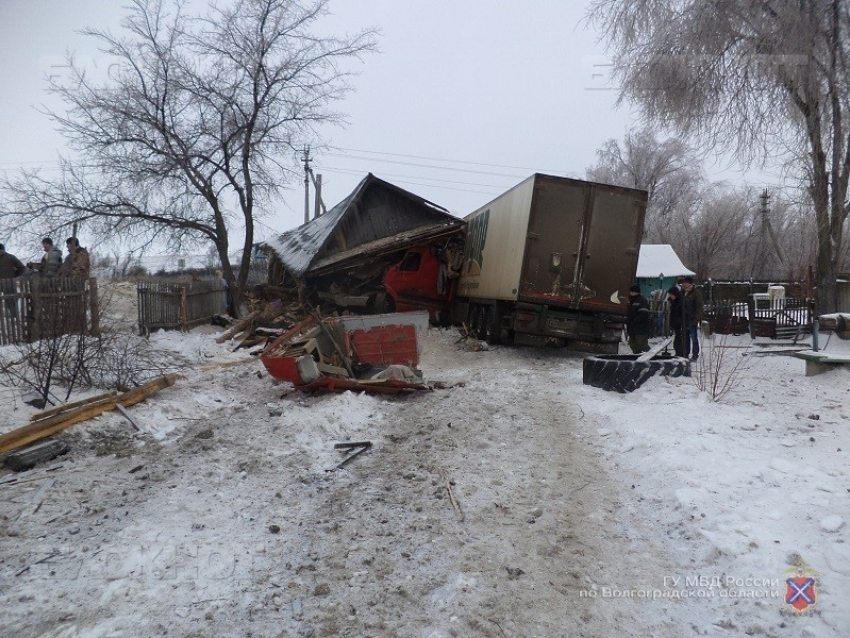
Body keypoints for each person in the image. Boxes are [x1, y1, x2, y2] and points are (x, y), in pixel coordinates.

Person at [682, 276, 704, 360]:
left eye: (686, 282)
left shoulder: (695, 293)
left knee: (693, 337)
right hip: (684, 319)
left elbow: (699, 307)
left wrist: (696, 319)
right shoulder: (683, 292)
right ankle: (685, 353)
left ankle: (695, 354)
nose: (684, 284)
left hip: (692, 319)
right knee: (685, 337)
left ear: (690, 284)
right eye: (684, 282)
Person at [625, 284, 651, 354]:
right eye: (631, 292)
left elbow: (644, 314)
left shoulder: (642, 301)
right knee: (633, 344)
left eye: (634, 292)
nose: (632, 293)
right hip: (632, 327)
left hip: (641, 327)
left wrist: (634, 321)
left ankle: (651, 356)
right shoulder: (630, 301)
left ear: (638, 292)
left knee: (642, 344)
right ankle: (637, 356)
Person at [667, 278, 686, 357]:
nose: (670, 296)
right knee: (677, 340)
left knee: (679, 340)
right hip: (676, 324)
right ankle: (678, 353)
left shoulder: (681, 302)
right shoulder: (674, 302)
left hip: (680, 324)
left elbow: (684, 314)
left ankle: (680, 354)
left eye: (671, 294)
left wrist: (680, 322)